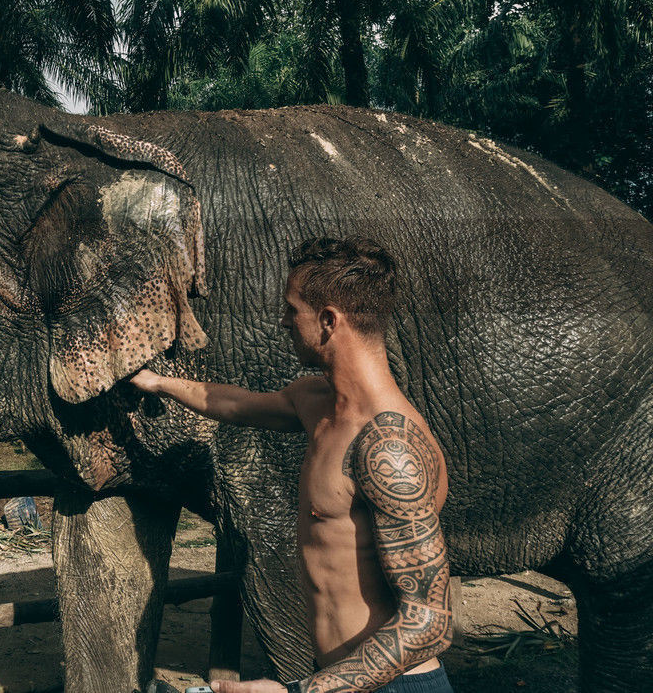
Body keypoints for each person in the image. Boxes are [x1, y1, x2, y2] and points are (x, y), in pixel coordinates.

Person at [129, 237, 455, 693]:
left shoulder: (389, 449)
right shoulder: (316, 401)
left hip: (392, 685)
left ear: (327, 321)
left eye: (291, 308)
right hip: (339, 679)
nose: (283, 320)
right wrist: (158, 381)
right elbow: (238, 404)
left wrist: (297, 692)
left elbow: (431, 622)